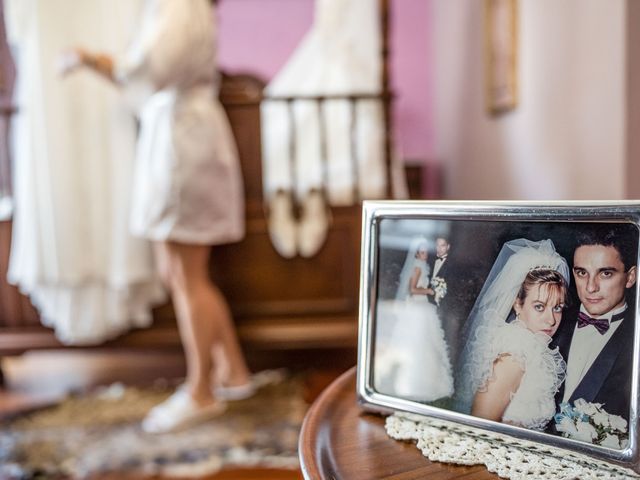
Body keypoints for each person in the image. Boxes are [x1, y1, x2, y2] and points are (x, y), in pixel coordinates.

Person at [59, 0, 253, 433]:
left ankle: (202, 390)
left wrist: (90, 58)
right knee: (180, 272)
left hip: (183, 141)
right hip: (177, 132)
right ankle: (233, 372)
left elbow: (147, 70)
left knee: (187, 274)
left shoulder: (180, 6)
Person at [455, 239, 569, 431]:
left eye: (557, 308)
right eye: (539, 307)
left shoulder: (534, 352)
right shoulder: (513, 357)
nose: (551, 320)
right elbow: (478, 429)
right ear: (518, 304)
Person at [552, 226, 637, 423]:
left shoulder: (635, 337)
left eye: (605, 273)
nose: (590, 287)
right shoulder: (550, 321)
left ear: (630, 277)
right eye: (582, 273)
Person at [376, 236, 453, 402]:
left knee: (428, 343)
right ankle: (418, 383)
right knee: (421, 341)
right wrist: (430, 291)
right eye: (422, 251)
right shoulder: (417, 267)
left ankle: (427, 381)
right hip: (418, 308)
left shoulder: (423, 266)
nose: (424, 254)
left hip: (422, 308)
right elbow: (413, 289)